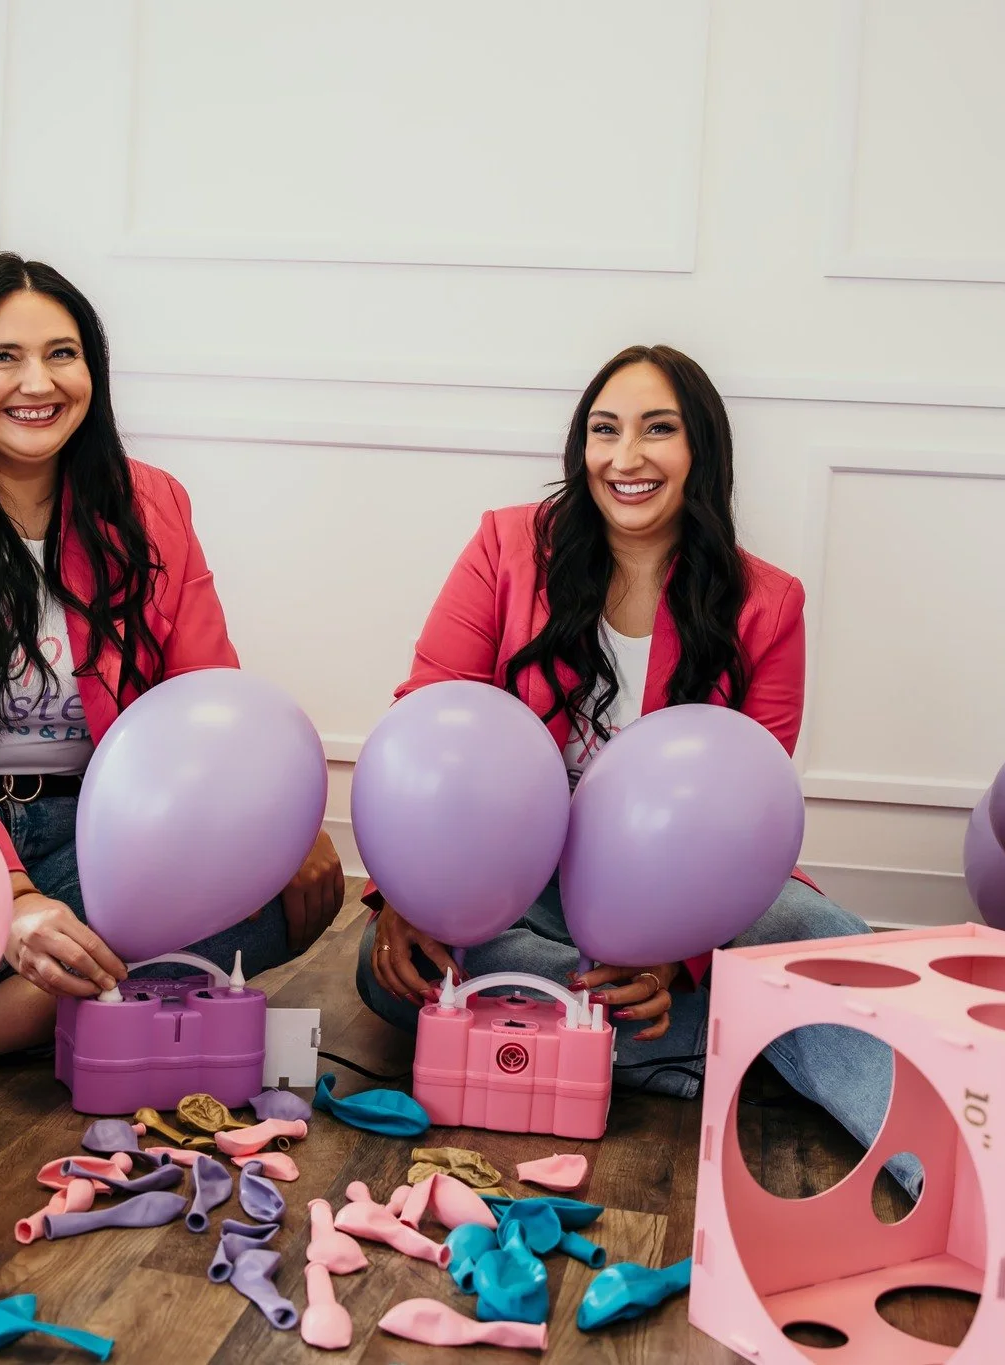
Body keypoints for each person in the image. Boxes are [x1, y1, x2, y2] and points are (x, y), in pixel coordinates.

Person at [355, 344, 916, 1191]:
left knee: (814, 935)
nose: (626, 458)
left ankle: (935, 1160)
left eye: (659, 429)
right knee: (389, 971)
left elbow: (746, 819)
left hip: (687, 907)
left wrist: (673, 959)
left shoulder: (768, 603)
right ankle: (722, 1039)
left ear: (703, 451)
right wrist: (406, 890)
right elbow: (427, 720)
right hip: (519, 882)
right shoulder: (505, 547)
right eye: (604, 430)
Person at [0, 254, 343, 1064]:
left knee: (289, 902)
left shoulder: (152, 503)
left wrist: (278, 827)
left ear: (93, 370)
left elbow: (206, 692)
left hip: (101, 826)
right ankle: (44, 991)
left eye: (62, 353)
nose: (37, 382)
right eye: (3, 357)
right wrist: (8, 896)